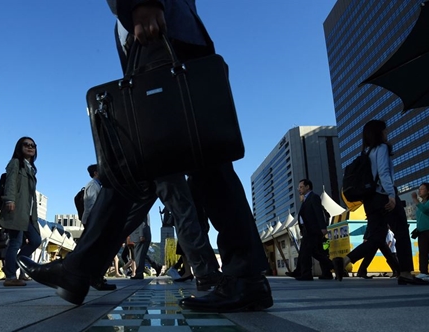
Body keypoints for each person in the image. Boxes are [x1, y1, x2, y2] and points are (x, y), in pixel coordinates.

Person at [18, 0, 273, 312]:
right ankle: (77, 270)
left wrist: (143, 2)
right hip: (158, 34)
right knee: (149, 162)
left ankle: (245, 276)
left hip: (159, 28)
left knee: (198, 160)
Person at [333, 119, 423, 285]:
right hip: (383, 196)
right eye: (384, 130)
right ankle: (405, 273)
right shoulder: (381, 148)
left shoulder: (366, 152)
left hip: (370, 200)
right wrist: (391, 195)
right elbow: (384, 173)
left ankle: (344, 260)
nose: (386, 133)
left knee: (376, 237)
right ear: (378, 133)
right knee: (402, 231)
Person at [0, 137, 43, 287]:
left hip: (28, 214)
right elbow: (10, 182)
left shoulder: (31, 167)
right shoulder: (16, 163)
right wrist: (10, 200)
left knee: (36, 240)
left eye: (33, 145)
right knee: (15, 242)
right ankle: (10, 276)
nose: (30, 147)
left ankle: (12, 267)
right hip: (16, 209)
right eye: (26, 145)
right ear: (19, 147)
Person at [289, 179, 334, 281]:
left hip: (313, 230)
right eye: (298, 187)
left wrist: (323, 227)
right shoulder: (305, 199)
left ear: (307, 187)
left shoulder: (314, 197)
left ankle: (306, 274)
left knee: (306, 252)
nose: (299, 189)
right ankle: (328, 271)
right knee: (317, 252)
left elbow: (318, 213)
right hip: (307, 229)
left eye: (301, 187)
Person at [128, 215, 151, 279]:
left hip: (139, 235)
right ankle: (156, 266)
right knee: (140, 255)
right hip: (138, 235)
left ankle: (139, 273)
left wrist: (141, 234)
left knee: (138, 256)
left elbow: (141, 221)